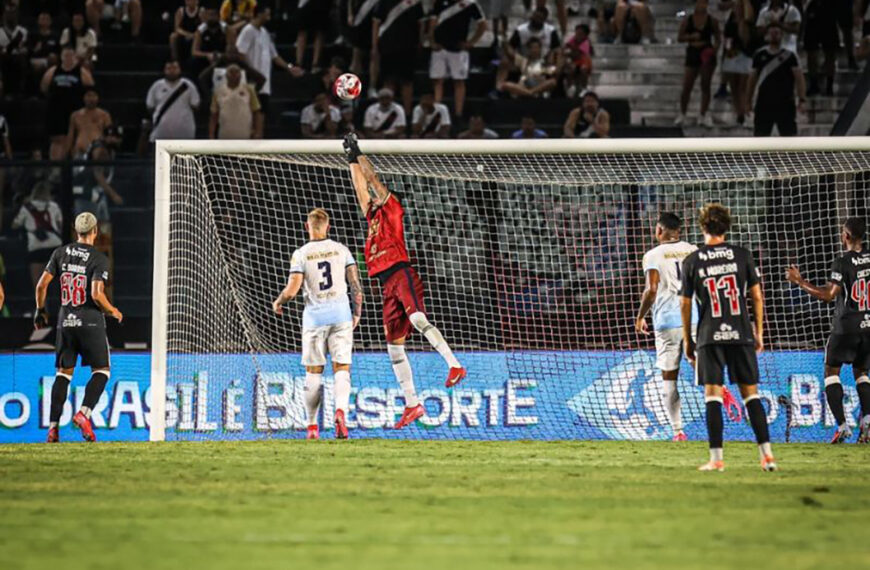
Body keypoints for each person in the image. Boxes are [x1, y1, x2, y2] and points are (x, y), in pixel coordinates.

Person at [343, 133, 466, 429]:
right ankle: (412, 405)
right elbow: (360, 187)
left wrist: (359, 152)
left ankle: (455, 365)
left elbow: (371, 180)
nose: (370, 196)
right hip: (385, 285)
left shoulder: (393, 209)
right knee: (394, 348)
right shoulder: (372, 216)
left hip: (401, 274)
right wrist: (349, 158)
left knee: (420, 318)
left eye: (376, 195)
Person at [680, 203, 775, 472]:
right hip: (741, 332)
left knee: (713, 397)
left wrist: (688, 340)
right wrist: (759, 332)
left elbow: (685, 304)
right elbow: (756, 295)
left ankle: (716, 459)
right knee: (751, 395)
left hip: (709, 336)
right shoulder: (742, 255)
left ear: (702, 227)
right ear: (727, 227)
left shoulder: (693, 260)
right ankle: (767, 455)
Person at [272, 208, 363, 440]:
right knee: (342, 368)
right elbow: (356, 285)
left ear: (307, 226)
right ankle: (340, 411)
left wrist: (279, 301)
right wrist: (357, 313)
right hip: (341, 315)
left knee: (314, 373)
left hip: (314, 319)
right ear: (328, 227)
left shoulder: (301, 254)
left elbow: (292, 290)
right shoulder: (342, 249)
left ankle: (312, 427)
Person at [34, 212, 123, 444]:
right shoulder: (98, 258)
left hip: (66, 321)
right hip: (90, 320)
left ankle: (53, 429)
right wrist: (112, 310)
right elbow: (96, 294)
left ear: (76, 231)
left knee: (63, 374)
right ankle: (84, 413)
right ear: (95, 231)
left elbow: (41, 286)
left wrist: (40, 311)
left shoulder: (60, 253)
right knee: (101, 371)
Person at [785, 218, 870, 444]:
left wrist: (800, 281)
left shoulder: (842, 262)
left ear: (847, 236)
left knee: (831, 373)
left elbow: (829, 295)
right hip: (868, 328)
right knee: (862, 373)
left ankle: (842, 426)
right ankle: (868, 423)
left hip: (846, 328)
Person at [635, 213, 697, 442]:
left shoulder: (653, 255)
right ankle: (716, 385)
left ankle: (678, 431)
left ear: (659, 231)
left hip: (667, 322)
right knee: (699, 363)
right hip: (694, 318)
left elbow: (651, 289)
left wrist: (641, 316)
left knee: (670, 378)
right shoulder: (693, 250)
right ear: (679, 231)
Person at [235, 4, 303, 112]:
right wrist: (250, 73)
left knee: (261, 113)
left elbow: (274, 56)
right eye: (267, 14)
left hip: (265, 84)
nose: (269, 16)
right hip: (251, 82)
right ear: (259, 14)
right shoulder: (248, 30)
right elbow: (240, 53)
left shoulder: (264, 32)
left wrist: (289, 68)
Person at [428, 0, 487, 120]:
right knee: (437, 81)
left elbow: (482, 24)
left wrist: (471, 42)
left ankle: (458, 114)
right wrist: (432, 41)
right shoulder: (439, 2)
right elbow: (432, 22)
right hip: (440, 48)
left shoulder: (470, 4)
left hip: (458, 49)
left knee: (459, 82)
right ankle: (437, 112)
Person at [748, 22, 807, 137]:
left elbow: (799, 78)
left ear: (782, 35)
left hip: (785, 102)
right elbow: (752, 79)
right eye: (772, 32)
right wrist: (747, 101)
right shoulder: (759, 55)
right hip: (764, 103)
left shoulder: (790, 56)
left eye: (777, 33)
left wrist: (802, 99)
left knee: (789, 137)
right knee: (760, 137)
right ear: (767, 35)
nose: (774, 35)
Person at [41, 46, 94, 160]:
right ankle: (55, 170)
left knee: (75, 139)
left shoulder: (81, 72)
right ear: (61, 57)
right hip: (56, 111)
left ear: (75, 57)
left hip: (75, 110)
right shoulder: (54, 71)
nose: (68, 58)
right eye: (66, 56)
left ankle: (76, 170)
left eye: (71, 56)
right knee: (57, 140)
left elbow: (90, 89)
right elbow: (44, 87)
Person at [372, 0, 425, 115]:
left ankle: (406, 114)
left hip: (408, 46)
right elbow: (376, 23)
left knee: (407, 81)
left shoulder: (415, 3)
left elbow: (420, 23)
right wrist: (375, 45)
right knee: (388, 80)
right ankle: (388, 114)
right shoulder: (383, 2)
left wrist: (420, 42)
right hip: (388, 46)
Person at [676, 0, 721, 128]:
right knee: (687, 86)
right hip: (692, 53)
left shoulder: (712, 21)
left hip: (706, 53)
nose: (702, 5)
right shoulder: (688, 20)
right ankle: (682, 113)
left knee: (705, 85)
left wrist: (714, 51)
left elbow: (718, 38)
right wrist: (691, 37)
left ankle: (703, 114)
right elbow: (680, 37)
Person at [12, 180, 62, 289]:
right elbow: (60, 225)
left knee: (38, 282)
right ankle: (61, 302)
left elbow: (15, 225)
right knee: (58, 279)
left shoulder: (26, 208)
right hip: (54, 245)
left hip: (36, 246)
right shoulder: (53, 206)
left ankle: (41, 304)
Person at [146, 59, 201, 142]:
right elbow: (150, 106)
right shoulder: (156, 86)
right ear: (164, 70)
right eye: (169, 68)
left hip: (185, 133)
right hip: (161, 133)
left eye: (175, 68)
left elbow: (195, 105)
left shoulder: (188, 85)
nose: (172, 71)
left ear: (180, 69)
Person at [721, 0, 754, 126]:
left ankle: (746, 112)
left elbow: (746, 40)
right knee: (734, 87)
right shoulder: (729, 23)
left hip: (745, 55)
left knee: (743, 87)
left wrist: (741, 22)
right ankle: (739, 113)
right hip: (731, 55)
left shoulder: (746, 23)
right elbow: (726, 40)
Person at [209, 63, 263, 139]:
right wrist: (211, 135)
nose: (234, 74)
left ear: (241, 75)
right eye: (231, 72)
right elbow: (214, 115)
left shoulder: (249, 89)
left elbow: (256, 112)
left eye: (236, 72)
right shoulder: (218, 91)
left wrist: (258, 132)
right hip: (225, 135)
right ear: (226, 75)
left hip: (245, 135)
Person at [804, 0, 838, 96]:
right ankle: (814, 84)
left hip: (829, 13)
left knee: (830, 53)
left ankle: (829, 86)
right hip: (813, 13)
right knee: (811, 53)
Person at [344, 0, 379, 89]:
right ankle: (353, 87)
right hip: (360, 16)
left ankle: (372, 87)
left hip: (376, 15)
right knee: (356, 54)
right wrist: (350, 14)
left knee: (375, 55)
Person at [67, 87, 113, 156]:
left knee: (99, 152)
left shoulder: (104, 115)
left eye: (94, 96)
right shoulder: (75, 115)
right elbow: (70, 135)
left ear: (98, 98)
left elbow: (110, 134)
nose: (91, 99)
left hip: (98, 148)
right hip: (79, 149)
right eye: (88, 95)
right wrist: (69, 150)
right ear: (84, 98)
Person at [0, 0, 28, 99]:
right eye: (8, 13)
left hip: (17, 59)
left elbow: (23, 47)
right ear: (4, 15)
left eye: (13, 13)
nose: (10, 15)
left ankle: (20, 92)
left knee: (19, 59)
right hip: (3, 59)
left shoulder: (22, 31)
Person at [295, 0, 330, 72]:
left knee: (320, 32)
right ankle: (298, 64)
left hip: (322, 4)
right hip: (304, 3)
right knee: (302, 32)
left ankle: (315, 64)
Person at [27, 11, 59, 82]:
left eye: (46, 19)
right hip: (37, 59)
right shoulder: (33, 35)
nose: (44, 21)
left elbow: (58, 50)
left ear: (50, 21)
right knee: (38, 68)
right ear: (38, 21)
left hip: (49, 59)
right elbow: (29, 50)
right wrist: (35, 49)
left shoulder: (55, 35)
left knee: (53, 58)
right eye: (42, 19)